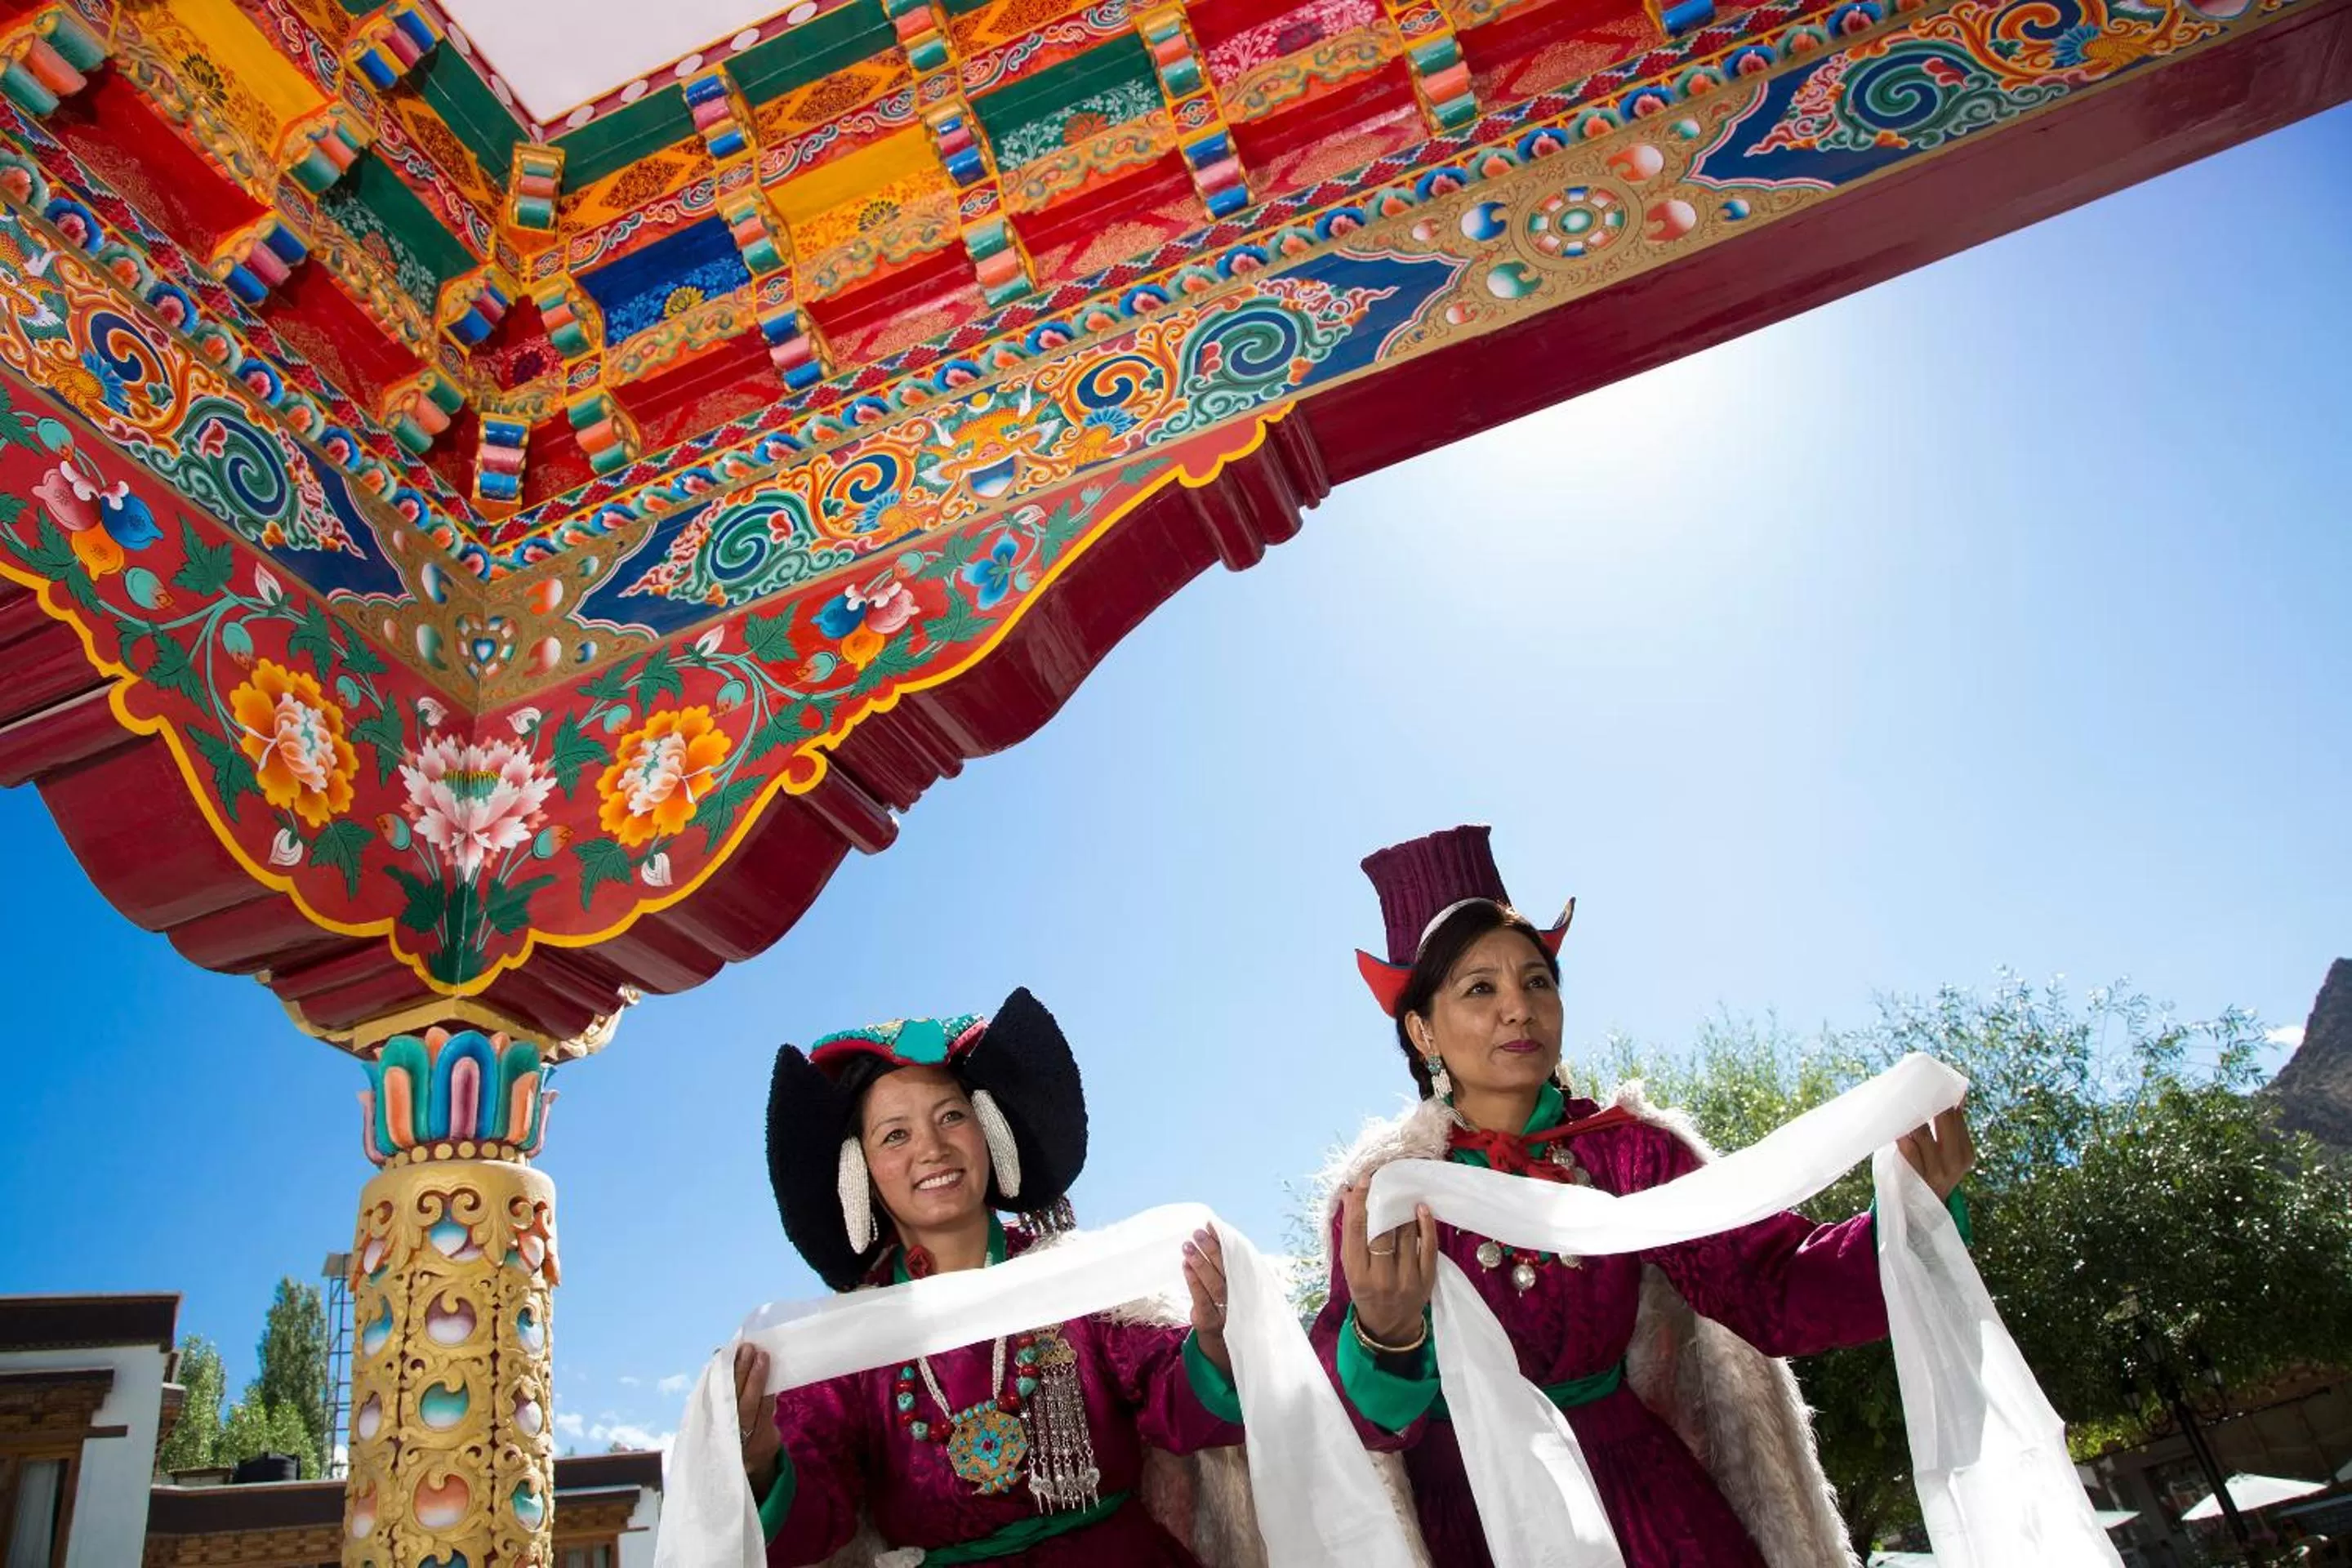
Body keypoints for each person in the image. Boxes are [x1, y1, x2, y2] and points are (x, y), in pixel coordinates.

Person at [1314, 826, 1976, 1568]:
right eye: (1480, 989)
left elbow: (1768, 1283)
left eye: (1537, 981)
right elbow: (1349, 1424)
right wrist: (1385, 1334)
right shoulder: (1387, 1197)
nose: (1519, 1008)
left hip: (1642, 1505)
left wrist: (1914, 1209)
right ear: (1422, 1030)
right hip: (1477, 1518)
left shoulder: (1630, 1151)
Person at [738, 987, 1254, 1566]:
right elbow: (814, 1523)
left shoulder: (1073, 1278)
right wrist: (760, 1462)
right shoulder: (849, 1347)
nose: (932, 1148)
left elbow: (1175, 1399)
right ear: (859, 1171)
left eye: (952, 1116)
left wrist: (1214, 1343)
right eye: (895, 1134)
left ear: (989, 1132)